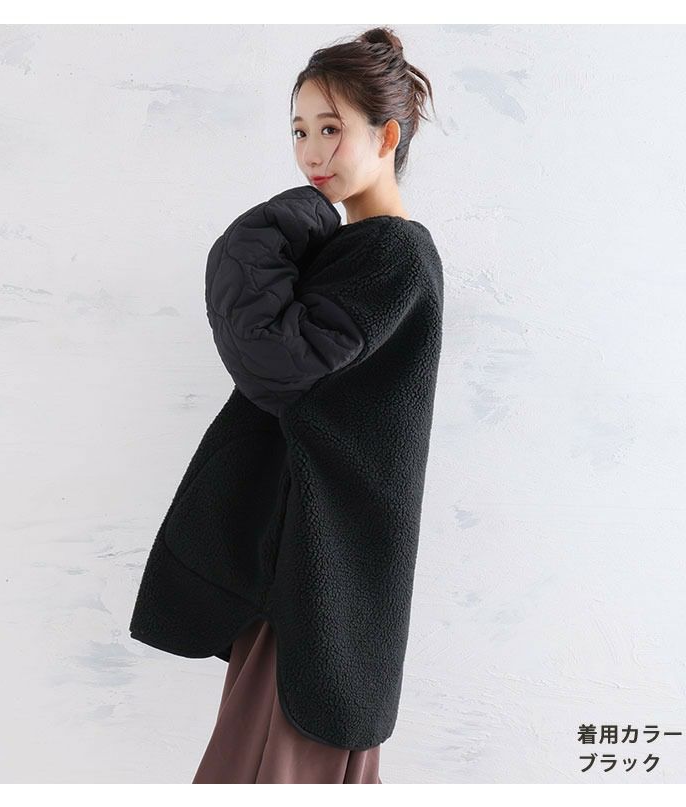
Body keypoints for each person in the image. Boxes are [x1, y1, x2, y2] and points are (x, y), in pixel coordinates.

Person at [190, 27, 438, 784]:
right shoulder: (353, 250)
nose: (311, 152)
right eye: (299, 131)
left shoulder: (391, 253)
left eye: (332, 129)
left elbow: (274, 364)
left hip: (322, 575)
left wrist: (269, 225)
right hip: (307, 565)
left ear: (386, 136)